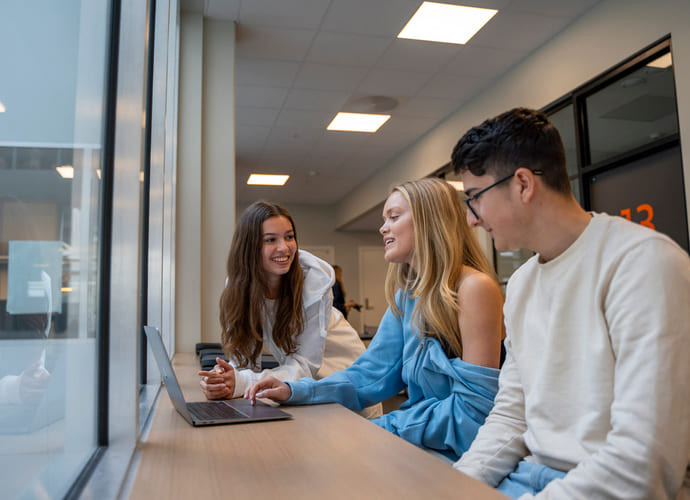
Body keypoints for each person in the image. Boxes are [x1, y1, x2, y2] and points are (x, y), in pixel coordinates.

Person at [450, 107, 690, 498]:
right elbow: (512, 414)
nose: (472, 219)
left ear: (523, 184)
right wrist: (454, 487)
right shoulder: (523, 283)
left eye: (475, 198)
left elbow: (643, 463)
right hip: (532, 478)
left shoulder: (643, 263)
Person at [245, 178, 505, 461]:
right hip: (425, 444)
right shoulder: (408, 296)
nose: (383, 228)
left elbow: (473, 414)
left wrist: (377, 429)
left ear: (429, 220)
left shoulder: (474, 288)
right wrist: (294, 390)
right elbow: (370, 374)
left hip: (467, 455)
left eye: (393, 217)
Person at [198, 201, 381, 418]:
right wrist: (223, 379)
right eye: (270, 240)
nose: (284, 247)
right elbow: (242, 356)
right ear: (249, 246)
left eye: (289, 236)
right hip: (304, 392)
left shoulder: (313, 282)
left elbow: (305, 365)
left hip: (345, 386)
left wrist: (241, 382)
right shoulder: (240, 287)